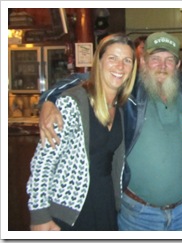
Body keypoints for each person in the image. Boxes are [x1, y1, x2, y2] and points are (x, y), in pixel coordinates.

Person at [37, 32, 182, 231]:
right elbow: (89, 78)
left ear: (178, 65)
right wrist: (49, 100)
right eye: (155, 59)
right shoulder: (129, 90)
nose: (162, 66)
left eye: (169, 60)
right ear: (143, 62)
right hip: (138, 215)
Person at [26, 33, 137, 231]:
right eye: (112, 58)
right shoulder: (73, 102)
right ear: (99, 62)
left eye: (127, 60)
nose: (120, 67)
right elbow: (43, 162)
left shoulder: (120, 108)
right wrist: (39, 215)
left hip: (105, 204)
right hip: (70, 210)